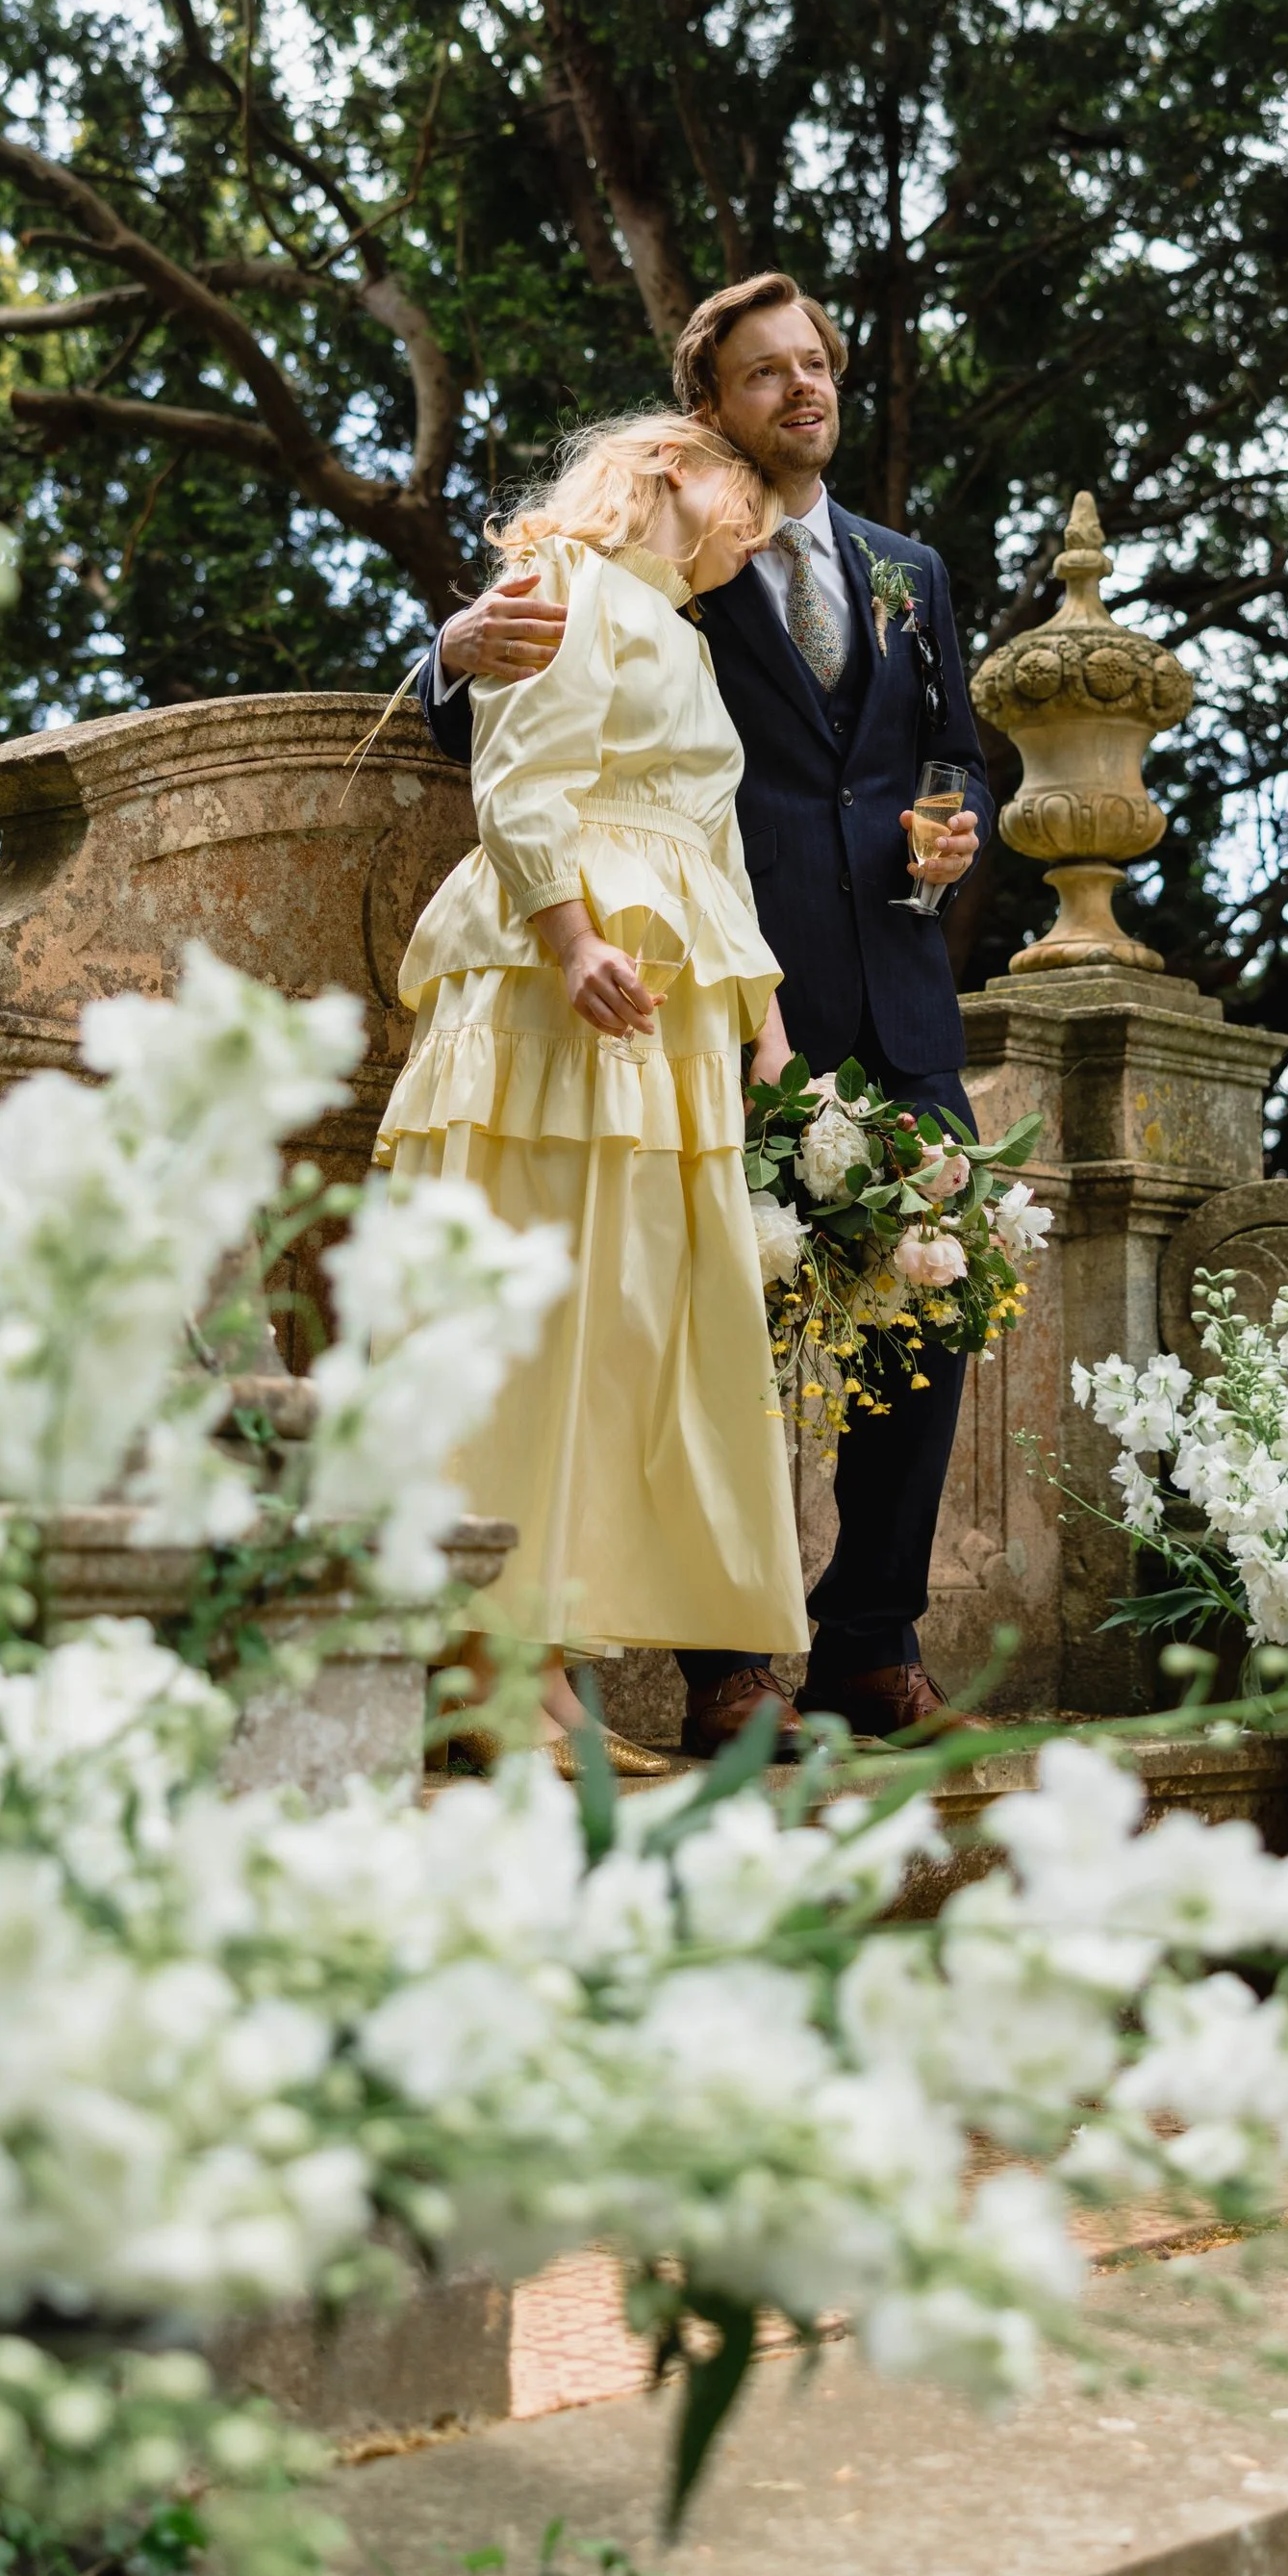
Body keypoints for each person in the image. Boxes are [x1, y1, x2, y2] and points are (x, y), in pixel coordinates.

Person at [419, 272, 996, 1757]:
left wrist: (955, 825)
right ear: (708, 414)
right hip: (694, 998)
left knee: (933, 1295)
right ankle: (729, 1666)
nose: (802, 389)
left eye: (818, 364)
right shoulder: (671, 553)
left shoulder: (905, 568)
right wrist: (448, 651)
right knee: (692, 1320)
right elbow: (507, 702)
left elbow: (950, 752)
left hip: (876, 993)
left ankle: (873, 1637)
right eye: (766, 372)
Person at [379, 412, 808, 1745]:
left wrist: (766, 1010)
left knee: (621, 1329)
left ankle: (542, 1658)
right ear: (675, 464)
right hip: (561, 986)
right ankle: (492, 1661)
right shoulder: (563, 581)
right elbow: (520, 777)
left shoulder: (680, 633)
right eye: (748, 492)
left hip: (663, 1004)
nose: (762, 525)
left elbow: (710, 838)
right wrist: (568, 940)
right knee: (543, 1310)